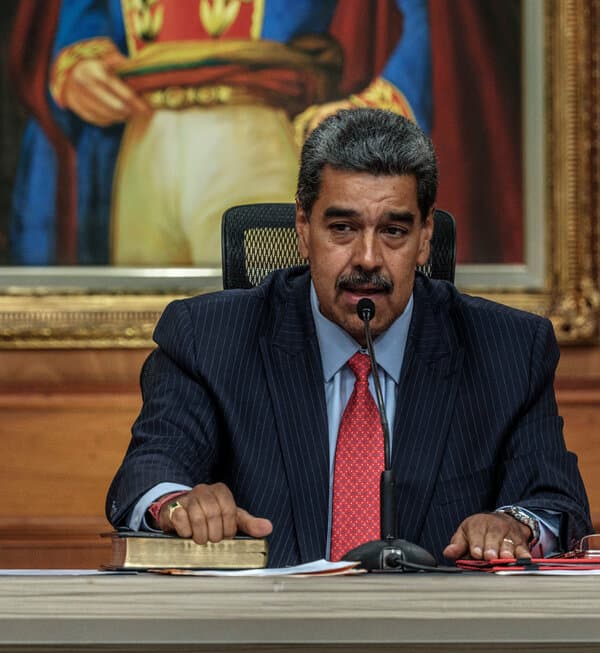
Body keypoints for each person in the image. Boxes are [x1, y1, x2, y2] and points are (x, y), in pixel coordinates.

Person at [106, 108, 591, 567]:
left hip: (441, 643)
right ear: (303, 228)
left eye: (394, 231)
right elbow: (147, 472)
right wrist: (177, 504)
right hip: (263, 641)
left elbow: (556, 502)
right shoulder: (209, 340)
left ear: (425, 236)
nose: (367, 258)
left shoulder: (507, 349)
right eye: (342, 228)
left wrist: (514, 524)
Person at [10, 0, 431, 266]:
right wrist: (78, 61)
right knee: (144, 333)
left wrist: (374, 107)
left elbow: (435, 24)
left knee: (258, 337)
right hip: (142, 135)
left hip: (256, 133)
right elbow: (81, 20)